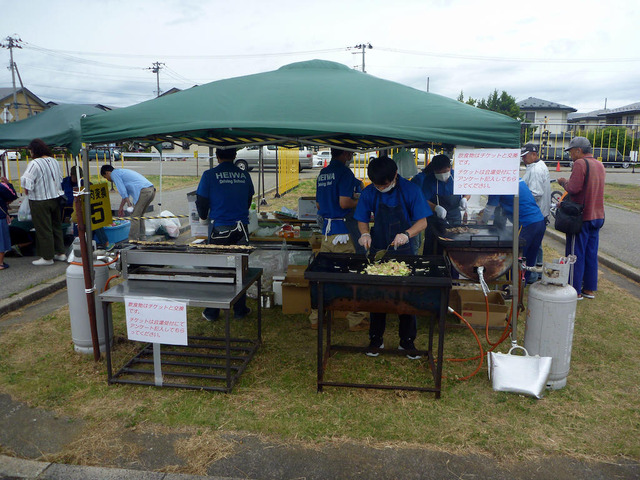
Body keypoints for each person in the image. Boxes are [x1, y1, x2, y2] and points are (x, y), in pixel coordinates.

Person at [354, 155, 431, 359]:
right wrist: (364, 234)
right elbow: (361, 218)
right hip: (378, 244)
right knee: (377, 294)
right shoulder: (370, 191)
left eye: (384, 185)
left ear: (395, 175)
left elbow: (422, 222)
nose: (380, 188)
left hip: (405, 248)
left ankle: (407, 342)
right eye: (377, 185)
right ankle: (375, 339)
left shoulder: (411, 190)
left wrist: (407, 234)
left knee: (405, 295)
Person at [312, 147, 368, 331]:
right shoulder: (344, 172)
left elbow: (319, 203)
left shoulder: (323, 173)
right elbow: (345, 202)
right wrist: (362, 201)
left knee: (324, 276)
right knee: (353, 276)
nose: (351, 156)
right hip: (344, 234)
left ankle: (317, 317)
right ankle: (355, 319)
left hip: (327, 233)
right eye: (350, 153)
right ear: (345, 154)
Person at [196, 147, 255, 321]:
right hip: (241, 228)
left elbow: (201, 200)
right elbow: (249, 199)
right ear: (235, 155)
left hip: (219, 227)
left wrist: (203, 217)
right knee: (240, 268)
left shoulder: (209, 175)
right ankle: (239, 309)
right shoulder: (244, 175)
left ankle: (212, 311)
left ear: (217, 156)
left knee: (217, 269)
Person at [557, 136, 605, 300]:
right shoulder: (599, 163)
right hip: (598, 215)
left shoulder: (580, 163)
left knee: (575, 253)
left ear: (578, 150)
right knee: (591, 253)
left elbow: (574, 188)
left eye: (571, 152)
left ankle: (574, 289)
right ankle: (589, 289)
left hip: (581, 217)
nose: (570, 155)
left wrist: (563, 182)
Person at [481, 179, 546, 285]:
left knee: (515, 256)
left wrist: (482, 221)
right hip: (539, 221)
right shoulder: (517, 179)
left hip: (526, 224)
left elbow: (490, 208)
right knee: (529, 257)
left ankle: (511, 287)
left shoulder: (496, 183)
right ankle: (522, 284)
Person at [20, 139, 67, 266]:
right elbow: (60, 178)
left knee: (43, 228)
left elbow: (26, 181)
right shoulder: (54, 161)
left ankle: (47, 257)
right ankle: (61, 253)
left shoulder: (35, 163)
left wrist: (26, 191)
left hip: (39, 200)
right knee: (56, 226)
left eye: (30, 150)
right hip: (56, 198)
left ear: (34, 150)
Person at [410, 153, 467, 255]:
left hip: (454, 217)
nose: (442, 175)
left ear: (449, 167)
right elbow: (424, 200)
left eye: (445, 172)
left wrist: (465, 199)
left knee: (453, 245)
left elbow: (467, 192)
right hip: (435, 219)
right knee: (432, 246)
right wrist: (436, 208)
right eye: (438, 173)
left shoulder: (458, 177)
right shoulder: (429, 180)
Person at [100, 164, 155, 241]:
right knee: (140, 215)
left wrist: (129, 204)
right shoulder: (121, 172)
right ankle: (142, 236)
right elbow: (125, 194)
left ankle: (133, 239)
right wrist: (121, 207)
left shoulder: (114, 174)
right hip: (151, 190)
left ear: (107, 173)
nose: (107, 179)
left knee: (134, 216)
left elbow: (122, 191)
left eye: (105, 177)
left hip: (144, 191)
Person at [520, 143, 551, 282]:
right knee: (536, 246)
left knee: (533, 246)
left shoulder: (536, 170)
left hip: (536, 212)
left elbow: (536, 193)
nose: (523, 159)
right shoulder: (536, 166)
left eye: (525, 156)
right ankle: (536, 273)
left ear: (534, 154)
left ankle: (532, 275)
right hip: (539, 213)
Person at [63, 166, 111, 250]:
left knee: (95, 220)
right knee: (81, 222)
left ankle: (104, 243)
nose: (77, 179)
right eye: (75, 177)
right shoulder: (64, 182)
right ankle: (80, 243)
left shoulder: (85, 183)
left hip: (83, 209)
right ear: (71, 175)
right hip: (69, 209)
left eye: (79, 177)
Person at [0, 176, 18, 270]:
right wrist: (8, 184)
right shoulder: (2, 187)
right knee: (1, 240)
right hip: (0, 216)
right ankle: (0, 263)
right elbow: (13, 195)